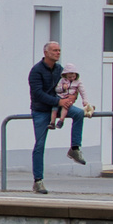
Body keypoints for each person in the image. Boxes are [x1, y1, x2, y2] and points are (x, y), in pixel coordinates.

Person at [27, 41, 85, 194]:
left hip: (58, 107)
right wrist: (58, 101)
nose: (57, 53)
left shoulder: (60, 70)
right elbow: (38, 94)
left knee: (79, 113)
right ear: (45, 52)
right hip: (41, 111)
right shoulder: (36, 71)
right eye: (54, 50)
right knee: (39, 145)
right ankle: (38, 181)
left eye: (59, 50)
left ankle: (75, 148)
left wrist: (71, 96)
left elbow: (69, 85)